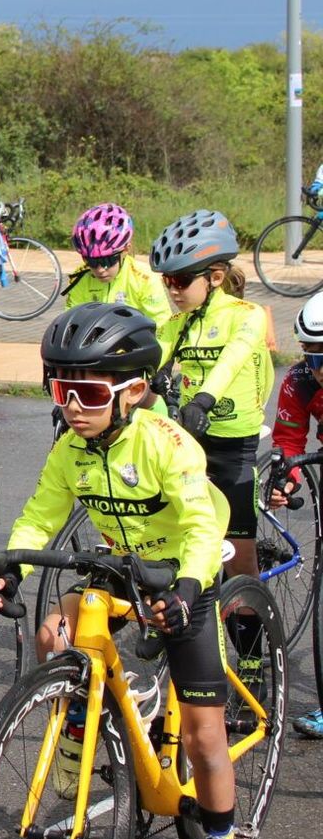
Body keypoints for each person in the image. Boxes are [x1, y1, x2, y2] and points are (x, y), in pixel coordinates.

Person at [0, 302, 244, 839]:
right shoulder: (72, 447)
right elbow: (40, 516)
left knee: (205, 738)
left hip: (183, 569)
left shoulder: (166, 443)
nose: (73, 406)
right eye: (61, 390)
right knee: (55, 636)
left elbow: (201, 528)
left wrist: (187, 589)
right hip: (119, 563)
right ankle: (78, 727)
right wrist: (10, 569)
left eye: (90, 393)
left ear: (134, 391)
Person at [150, 211, 272, 588]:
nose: (173, 290)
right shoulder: (175, 325)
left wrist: (202, 401)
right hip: (191, 444)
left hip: (233, 447)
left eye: (181, 280)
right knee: (180, 545)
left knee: (240, 563)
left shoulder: (247, 315)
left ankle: (252, 626)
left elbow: (230, 362)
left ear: (215, 277)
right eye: (167, 281)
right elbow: (146, 365)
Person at [269, 293, 323, 739]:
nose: (316, 367)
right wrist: (287, 479)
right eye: (310, 354)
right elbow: (289, 440)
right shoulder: (300, 379)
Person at [61, 203, 170, 327]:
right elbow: (71, 322)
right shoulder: (80, 279)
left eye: (107, 261)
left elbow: (162, 326)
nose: (100, 270)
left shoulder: (145, 279)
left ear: (126, 250)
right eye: (91, 262)